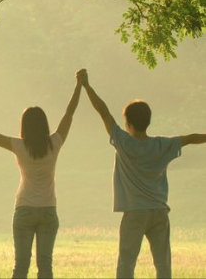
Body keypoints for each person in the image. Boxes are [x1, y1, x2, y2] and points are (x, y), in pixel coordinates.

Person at [0, 71, 83, 278]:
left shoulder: (19, 146)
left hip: (24, 210)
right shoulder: (55, 143)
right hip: (48, 210)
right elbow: (69, 114)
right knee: (45, 266)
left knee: (21, 266)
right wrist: (79, 86)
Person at [78, 68, 206, 278]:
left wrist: (86, 86)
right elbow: (191, 137)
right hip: (159, 211)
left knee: (127, 263)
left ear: (128, 122)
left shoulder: (123, 142)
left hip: (135, 212)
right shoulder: (162, 145)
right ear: (148, 121)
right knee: (163, 264)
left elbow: (103, 112)